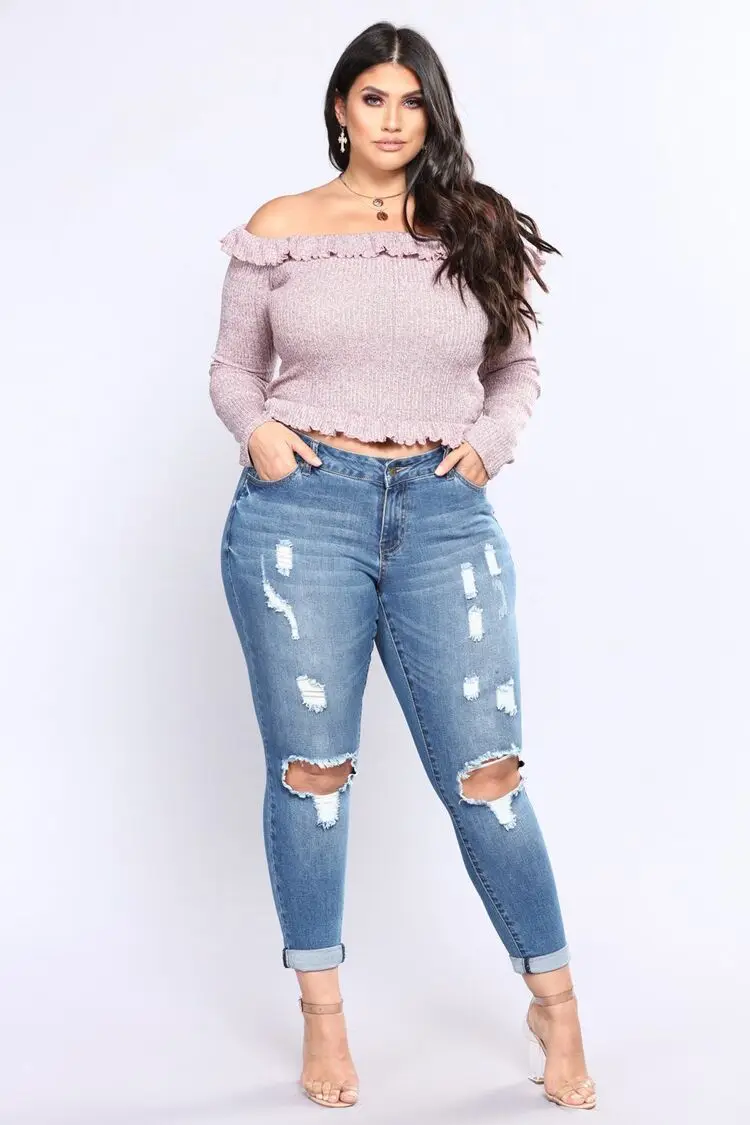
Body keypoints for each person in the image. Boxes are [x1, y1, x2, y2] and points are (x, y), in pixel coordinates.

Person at [207, 20, 596, 1113]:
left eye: (411, 100)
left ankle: (558, 1004)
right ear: (341, 107)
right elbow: (233, 367)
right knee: (313, 774)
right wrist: (259, 433)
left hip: (443, 517)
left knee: (489, 774)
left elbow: (516, 368)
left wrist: (487, 448)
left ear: (434, 112)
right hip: (301, 514)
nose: (391, 119)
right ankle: (323, 1018)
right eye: (372, 97)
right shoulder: (281, 228)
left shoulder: (475, 224)